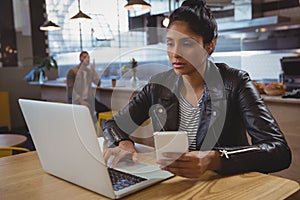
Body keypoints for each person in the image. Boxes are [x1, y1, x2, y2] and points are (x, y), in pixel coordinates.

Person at [102, 0, 291, 178]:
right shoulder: (158, 86)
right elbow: (113, 124)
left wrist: (214, 159)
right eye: (170, 43)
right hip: (176, 184)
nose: (175, 53)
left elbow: (278, 150)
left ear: (210, 45)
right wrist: (123, 143)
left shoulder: (235, 82)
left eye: (187, 43)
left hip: (224, 186)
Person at [66, 51, 109, 118]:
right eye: (85, 57)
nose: (87, 59)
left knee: (105, 110)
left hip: (89, 98)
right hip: (77, 100)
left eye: (88, 57)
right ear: (80, 59)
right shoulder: (73, 71)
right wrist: (81, 101)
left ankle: (97, 126)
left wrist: (94, 71)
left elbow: (98, 83)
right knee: (85, 116)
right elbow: (71, 90)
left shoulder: (88, 72)